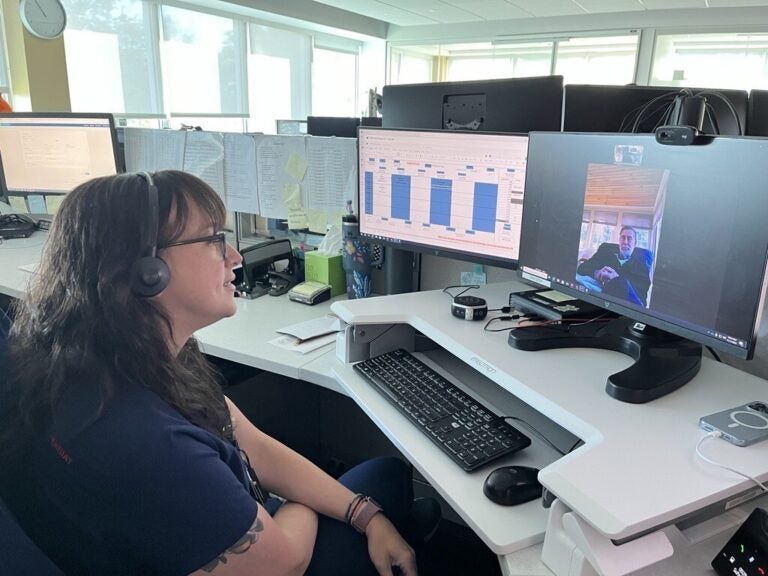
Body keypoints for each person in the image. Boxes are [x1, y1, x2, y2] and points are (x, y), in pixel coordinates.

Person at [0, 170, 436, 575]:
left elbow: (254, 446)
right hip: (269, 557)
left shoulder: (111, 355)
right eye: (213, 240)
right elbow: (286, 562)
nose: (234, 254)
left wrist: (362, 512)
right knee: (389, 477)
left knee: (373, 489)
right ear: (147, 270)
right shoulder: (144, 439)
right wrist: (313, 506)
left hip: (185, 532)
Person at [577, 225, 653, 307]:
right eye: (623, 237)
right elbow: (582, 267)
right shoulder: (606, 253)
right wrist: (597, 273)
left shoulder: (641, 265)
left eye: (629, 238)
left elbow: (640, 301)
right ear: (619, 240)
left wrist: (616, 279)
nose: (625, 241)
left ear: (635, 243)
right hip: (588, 296)